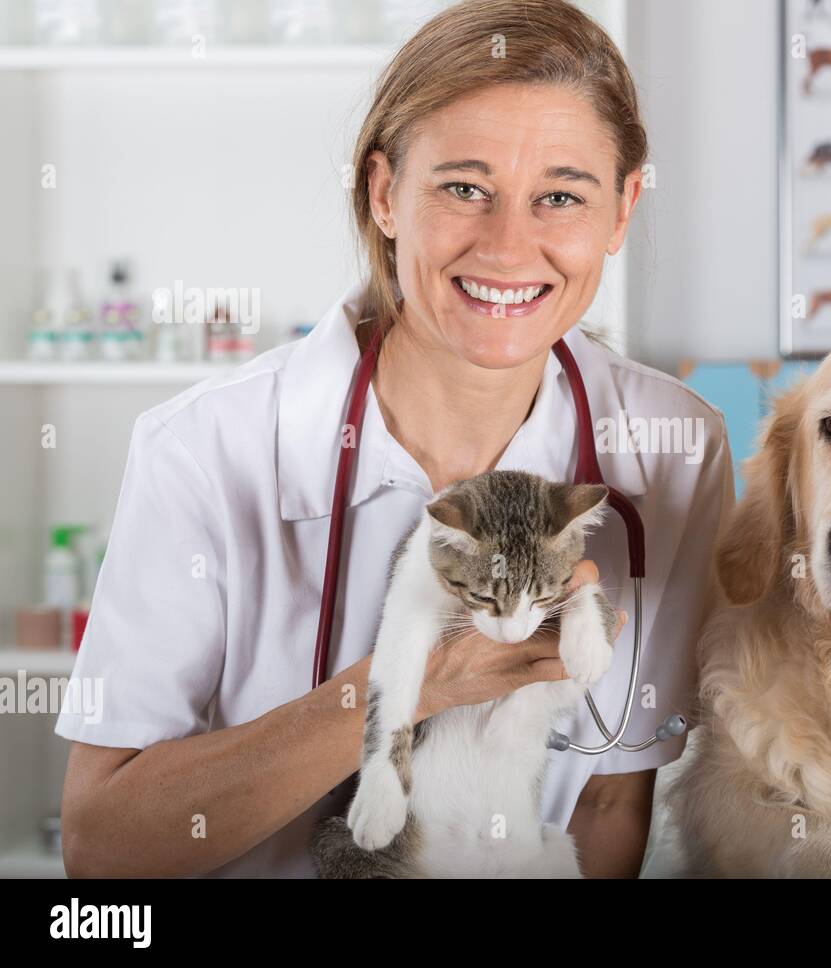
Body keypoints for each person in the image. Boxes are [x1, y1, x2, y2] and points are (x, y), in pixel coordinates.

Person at [55, 0, 733, 878]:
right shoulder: (202, 448)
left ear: (622, 210)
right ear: (384, 194)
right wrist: (416, 679)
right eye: (463, 188)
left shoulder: (673, 445)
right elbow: (103, 845)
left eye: (560, 196)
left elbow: (609, 797)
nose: (507, 244)